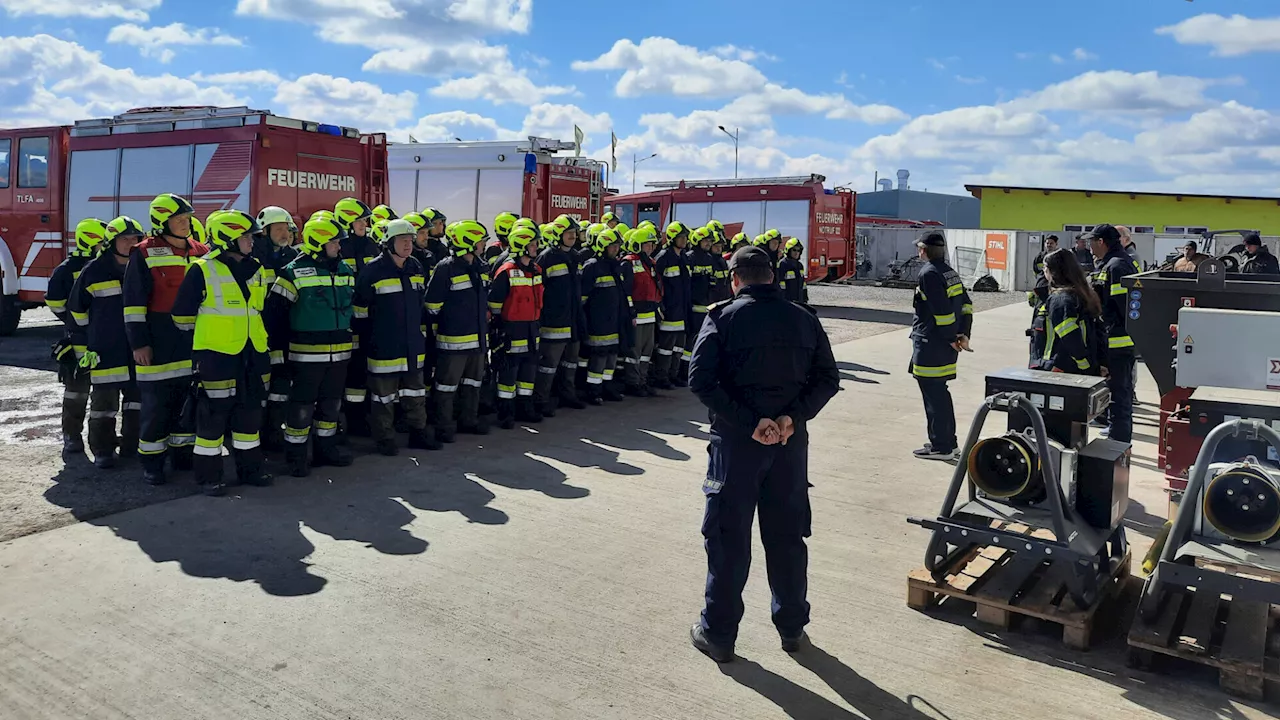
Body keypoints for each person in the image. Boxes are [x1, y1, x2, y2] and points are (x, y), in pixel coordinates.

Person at [687, 245, 840, 664]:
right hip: (789, 449)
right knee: (787, 538)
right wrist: (791, 418)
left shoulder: (722, 317)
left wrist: (751, 422)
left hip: (737, 446)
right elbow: (828, 378)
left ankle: (718, 634)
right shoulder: (804, 318)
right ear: (771, 276)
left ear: (735, 279)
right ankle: (792, 629)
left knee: (727, 540)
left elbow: (700, 381)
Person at [170, 210, 274, 496]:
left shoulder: (256, 268)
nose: (251, 241)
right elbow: (182, 316)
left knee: (250, 415)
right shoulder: (202, 269)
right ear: (228, 238)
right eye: (245, 236)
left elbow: (257, 310)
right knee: (212, 417)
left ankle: (250, 470)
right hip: (216, 355)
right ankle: (208, 478)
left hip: (252, 352)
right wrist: (209, 337)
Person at [123, 193, 207, 485]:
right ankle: (152, 463)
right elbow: (133, 304)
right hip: (158, 340)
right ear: (162, 222)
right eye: (179, 219)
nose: (186, 224)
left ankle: (182, 455)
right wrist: (139, 343)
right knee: (156, 406)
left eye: (187, 218)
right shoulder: (143, 253)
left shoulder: (201, 251)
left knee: (188, 401)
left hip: (194, 340)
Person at [265, 215, 358, 476]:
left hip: (339, 354)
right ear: (318, 242)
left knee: (331, 405)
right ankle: (295, 456)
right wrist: (278, 356)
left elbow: (352, 310)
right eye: (334, 242)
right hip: (305, 356)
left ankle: (325, 449)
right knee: (301, 407)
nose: (339, 247)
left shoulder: (345, 270)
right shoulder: (292, 272)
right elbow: (275, 318)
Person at [350, 218, 442, 455]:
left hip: (412, 344)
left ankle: (418, 433)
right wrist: (366, 342)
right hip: (383, 344)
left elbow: (420, 306)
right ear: (388, 243)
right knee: (383, 396)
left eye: (410, 240)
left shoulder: (415, 266)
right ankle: (385, 438)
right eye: (402, 240)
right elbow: (359, 312)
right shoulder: (372, 271)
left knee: (415, 392)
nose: (408, 244)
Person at [67, 216, 144, 469]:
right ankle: (103, 450)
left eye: (135, 239)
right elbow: (76, 311)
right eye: (125, 239)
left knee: (136, 402)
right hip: (105, 351)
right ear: (111, 243)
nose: (131, 244)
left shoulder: (144, 267)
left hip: (135, 349)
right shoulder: (94, 270)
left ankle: (132, 445)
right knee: (104, 406)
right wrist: (87, 343)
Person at [909, 231, 974, 461]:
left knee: (934, 396)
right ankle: (947, 443)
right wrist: (962, 334)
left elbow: (942, 313)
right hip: (945, 344)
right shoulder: (950, 272)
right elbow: (966, 306)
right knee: (940, 394)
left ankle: (942, 447)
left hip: (932, 345)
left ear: (923, 250)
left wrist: (950, 338)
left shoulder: (929, 273)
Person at [47, 218, 108, 458]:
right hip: (77, 341)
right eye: (101, 242)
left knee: (105, 394)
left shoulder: (105, 266)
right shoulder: (66, 270)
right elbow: (53, 302)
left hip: (103, 339)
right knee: (76, 392)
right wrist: (74, 323)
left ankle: (103, 440)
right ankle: (71, 436)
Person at [426, 220, 491, 441]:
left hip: (478, 340)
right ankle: (443, 426)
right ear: (468, 243)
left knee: (473, 384)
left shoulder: (480, 266)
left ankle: (468, 421)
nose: (483, 245)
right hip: (453, 341)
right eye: (480, 241)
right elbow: (432, 306)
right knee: (446, 386)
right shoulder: (446, 268)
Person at [253, 205, 300, 451]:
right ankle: (254, 433)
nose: (284, 233)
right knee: (258, 386)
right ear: (265, 230)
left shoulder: (292, 256)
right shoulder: (253, 257)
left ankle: (274, 431)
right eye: (279, 229)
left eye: (286, 229)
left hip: (284, 333)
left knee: (281, 386)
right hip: (258, 332)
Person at [1086, 223, 1138, 443]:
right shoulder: (1109, 264)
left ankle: (1119, 444)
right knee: (1113, 394)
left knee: (1120, 396)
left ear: (1101, 242)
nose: (1089, 247)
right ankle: (1115, 436)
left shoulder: (1118, 266)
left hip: (1118, 343)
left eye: (1091, 242)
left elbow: (1125, 308)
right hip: (1110, 341)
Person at [489, 224, 544, 428]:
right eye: (532, 244)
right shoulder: (506, 271)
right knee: (508, 375)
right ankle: (505, 413)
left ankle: (525, 409)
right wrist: (499, 328)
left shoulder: (536, 270)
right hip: (511, 330)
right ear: (521, 245)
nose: (536, 247)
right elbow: (495, 304)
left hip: (532, 328)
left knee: (528, 375)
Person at [334, 197, 379, 438]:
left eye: (364, 221)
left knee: (361, 373)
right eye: (360, 221)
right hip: (346, 322)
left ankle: (359, 419)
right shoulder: (340, 245)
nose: (364, 224)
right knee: (344, 373)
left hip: (369, 323)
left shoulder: (371, 245)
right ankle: (341, 420)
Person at [533, 221, 587, 414]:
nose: (573, 236)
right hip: (553, 321)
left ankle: (567, 395)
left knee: (571, 362)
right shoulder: (546, 257)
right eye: (568, 233)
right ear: (558, 235)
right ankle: (541, 400)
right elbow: (537, 289)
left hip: (573, 319)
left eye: (574, 232)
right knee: (548, 364)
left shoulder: (575, 256)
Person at [1029, 249, 1105, 375]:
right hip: (1067, 368)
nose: (1043, 270)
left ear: (1054, 271)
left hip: (1058, 370)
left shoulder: (1060, 299)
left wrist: (1086, 366)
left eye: (1045, 266)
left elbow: (1070, 337)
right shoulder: (1081, 295)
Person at [579, 226, 629, 405]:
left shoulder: (615, 266)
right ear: (602, 247)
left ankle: (608, 387)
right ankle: (593, 391)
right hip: (598, 322)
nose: (616, 250)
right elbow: (583, 298)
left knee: (612, 356)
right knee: (598, 357)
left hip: (613, 321)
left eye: (617, 246)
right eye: (612, 246)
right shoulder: (592, 266)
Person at [621, 226, 661, 397]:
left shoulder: (651, 263)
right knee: (634, 351)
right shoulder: (628, 262)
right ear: (638, 245)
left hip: (650, 313)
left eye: (652, 245)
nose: (650, 248)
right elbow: (627, 290)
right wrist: (630, 311)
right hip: (637, 313)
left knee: (647, 350)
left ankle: (642, 380)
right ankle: (632, 382)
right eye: (647, 245)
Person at [653, 221, 692, 389]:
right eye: (680, 237)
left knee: (678, 347)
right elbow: (657, 283)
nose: (684, 241)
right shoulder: (663, 257)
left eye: (685, 237)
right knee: (666, 348)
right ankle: (661, 377)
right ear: (671, 238)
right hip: (669, 309)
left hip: (682, 309)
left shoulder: (684, 256)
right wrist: (661, 306)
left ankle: (673, 375)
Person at [684, 226, 718, 381]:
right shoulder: (690, 257)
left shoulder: (709, 258)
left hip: (705, 305)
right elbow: (688, 284)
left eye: (710, 241)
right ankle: (684, 371)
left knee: (700, 340)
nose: (708, 244)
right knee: (690, 340)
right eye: (706, 241)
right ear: (697, 241)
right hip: (693, 305)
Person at [778, 238, 808, 303]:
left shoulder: (800, 265)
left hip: (799, 300)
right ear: (788, 250)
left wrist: (805, 298)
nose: (796, 252)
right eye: (794, 250)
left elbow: (803, 284)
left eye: (798, 250)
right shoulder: (783, 264)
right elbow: (780, 284)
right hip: (787, 301)